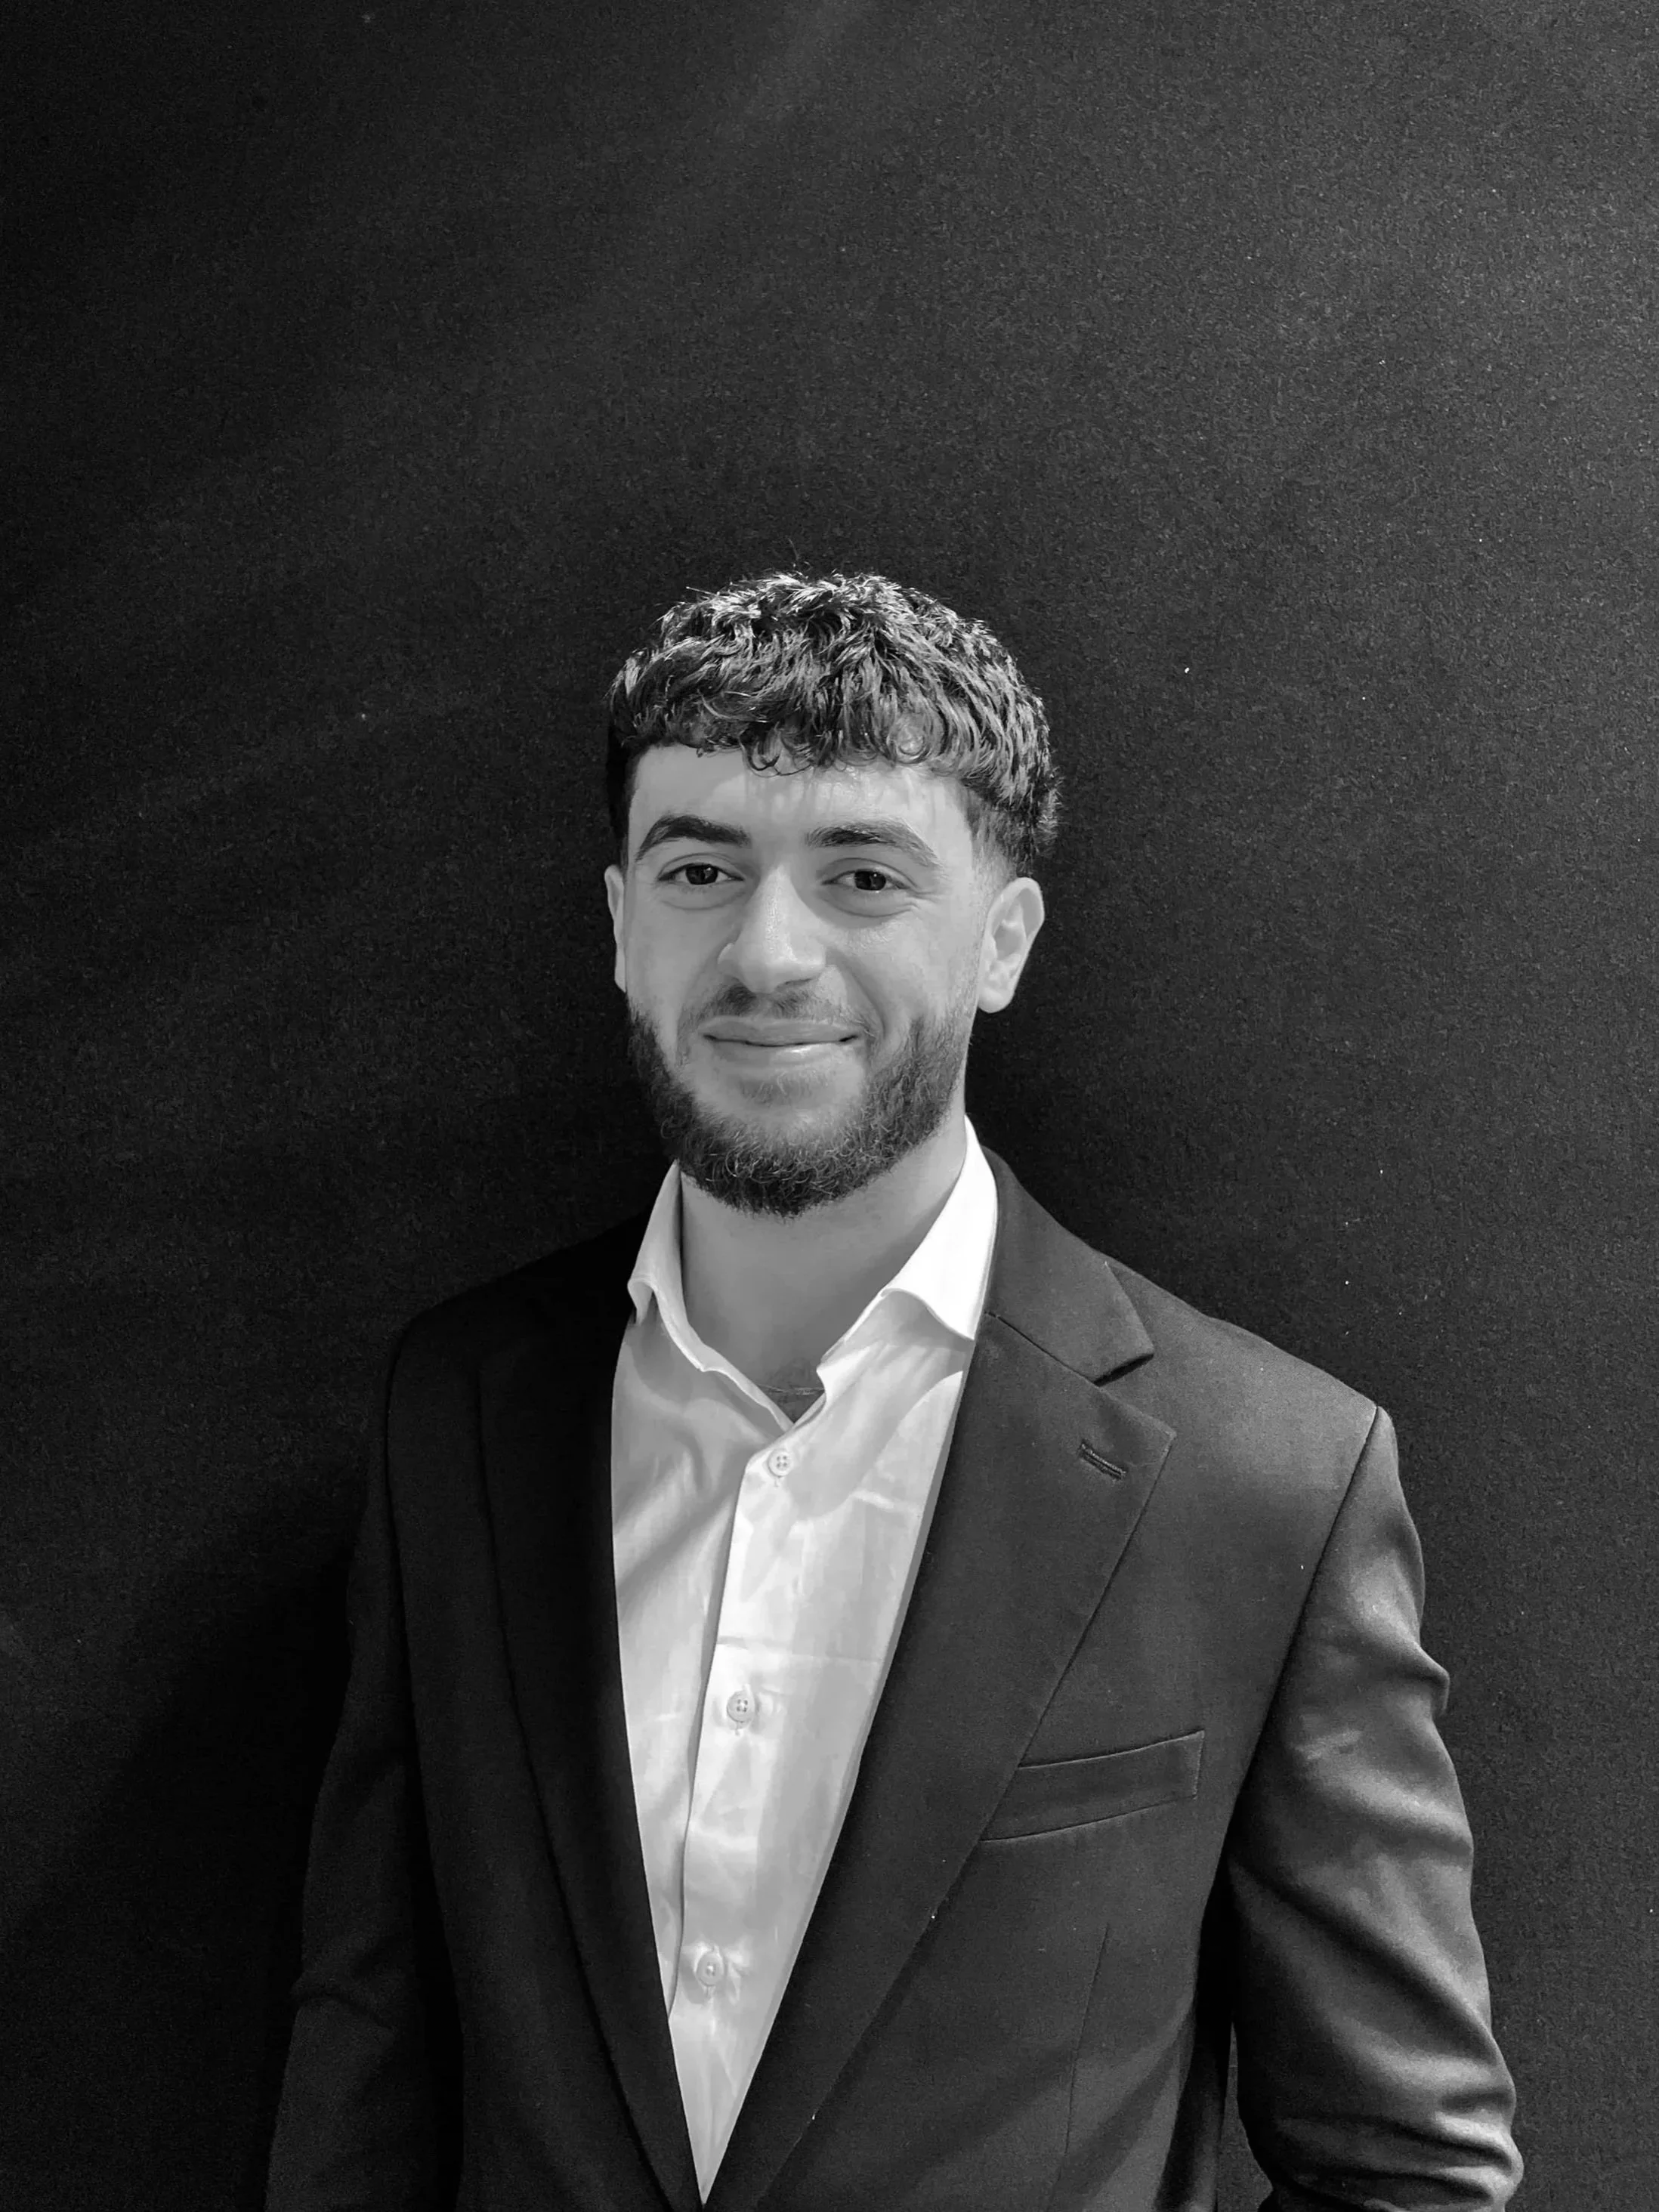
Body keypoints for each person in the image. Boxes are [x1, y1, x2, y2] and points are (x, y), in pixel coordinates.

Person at [267, 570, 1522, 2212]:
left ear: (1002, 942)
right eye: (701, 870)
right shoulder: (459, 1412)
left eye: (862, 875)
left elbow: (1405, 2164)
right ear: (620, 926)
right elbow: (371, 2050)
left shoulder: (1266, 1479)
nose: (768, 952)